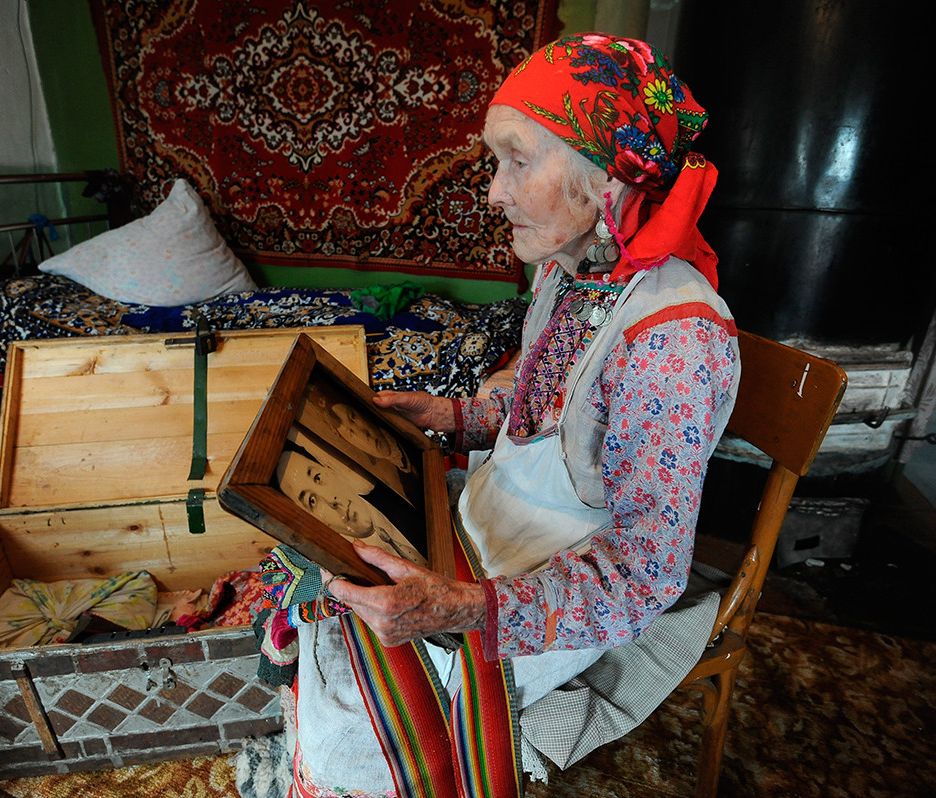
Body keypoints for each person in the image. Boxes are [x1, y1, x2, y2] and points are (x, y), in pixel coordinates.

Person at [273, 34, 741, 796]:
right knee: (340, 601)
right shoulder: (573, 273)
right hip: (494, 517)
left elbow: (644, 575)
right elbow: (539, 410)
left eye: (516, 160)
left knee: (377, 717)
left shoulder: (673, 344)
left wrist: (462, 607)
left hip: (569, 570)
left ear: (604, 180)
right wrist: (455, 416)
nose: (493, 192)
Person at [276, 431, 427, 565]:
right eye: (312, 501)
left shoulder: (394, 493)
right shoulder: (351, 568)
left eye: (318, 477)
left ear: (329, 470)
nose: (331, 500)